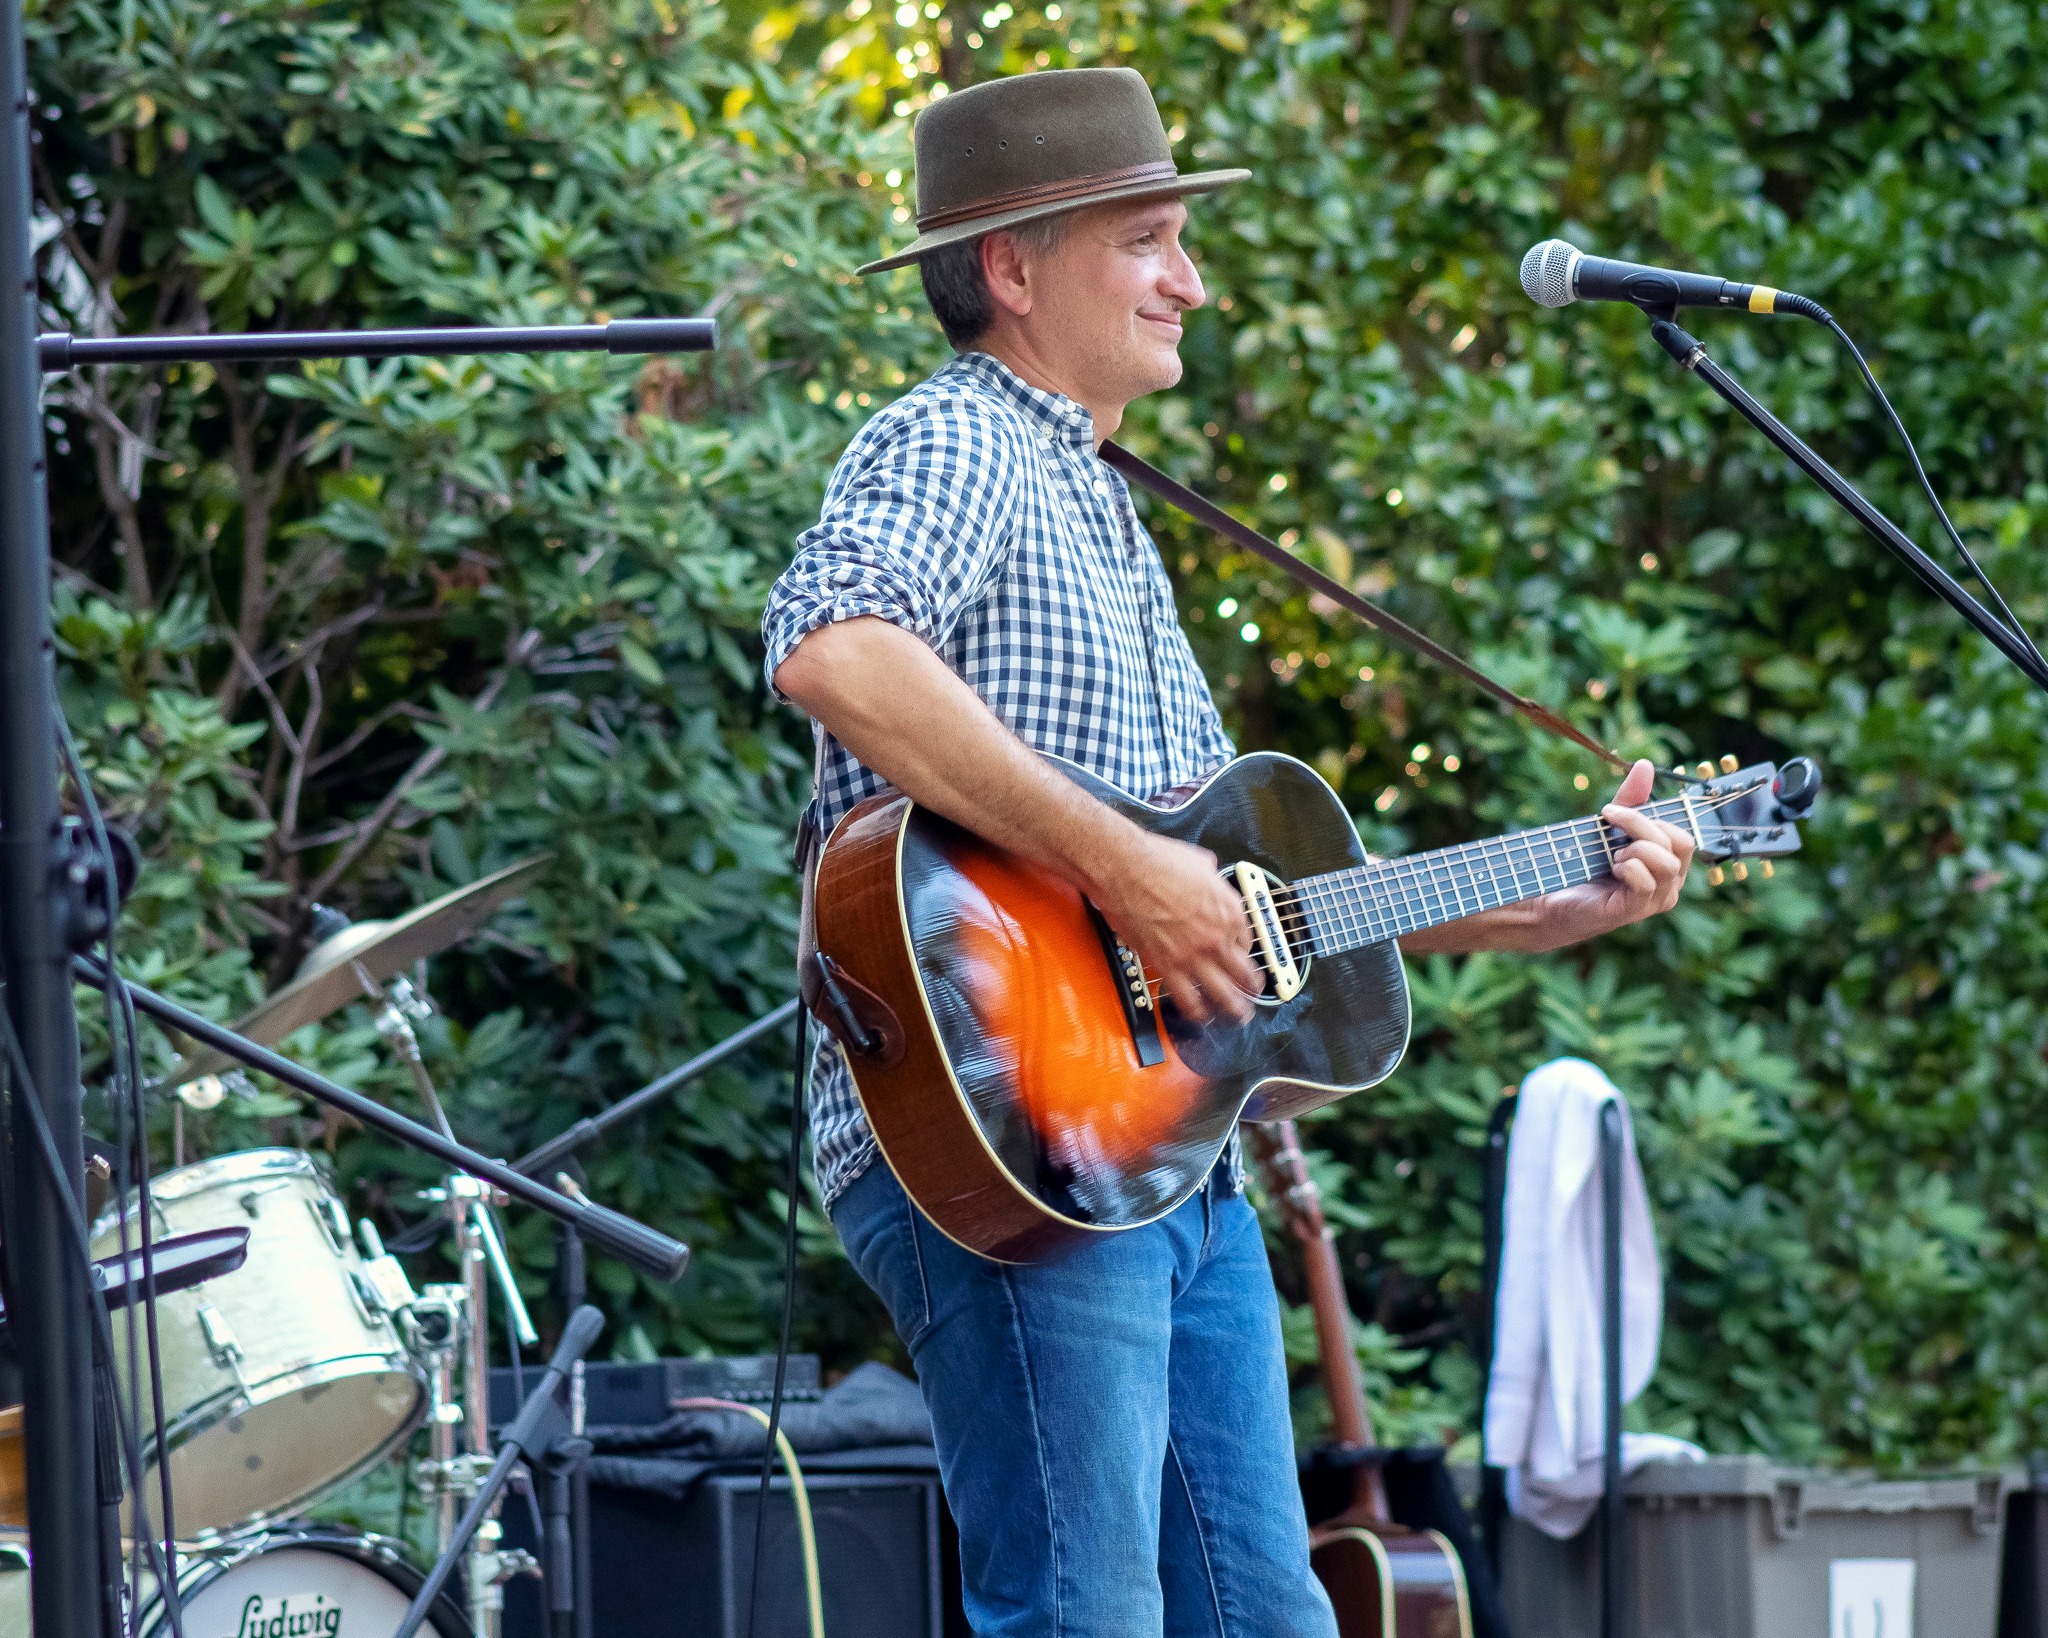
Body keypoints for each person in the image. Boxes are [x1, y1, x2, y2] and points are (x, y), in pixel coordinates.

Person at [763, 66, 1695, 1637]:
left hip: (1164, 1153)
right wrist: (1129, 873)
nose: (1190, 281)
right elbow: (833, 645)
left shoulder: (1105, 504)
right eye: (1148, 240)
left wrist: (1530, 905)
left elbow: (1237, 907)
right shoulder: (960, 438)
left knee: (1268, 1616)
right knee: (1085, 1614)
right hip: (1012, 1135)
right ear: (1010, 269)